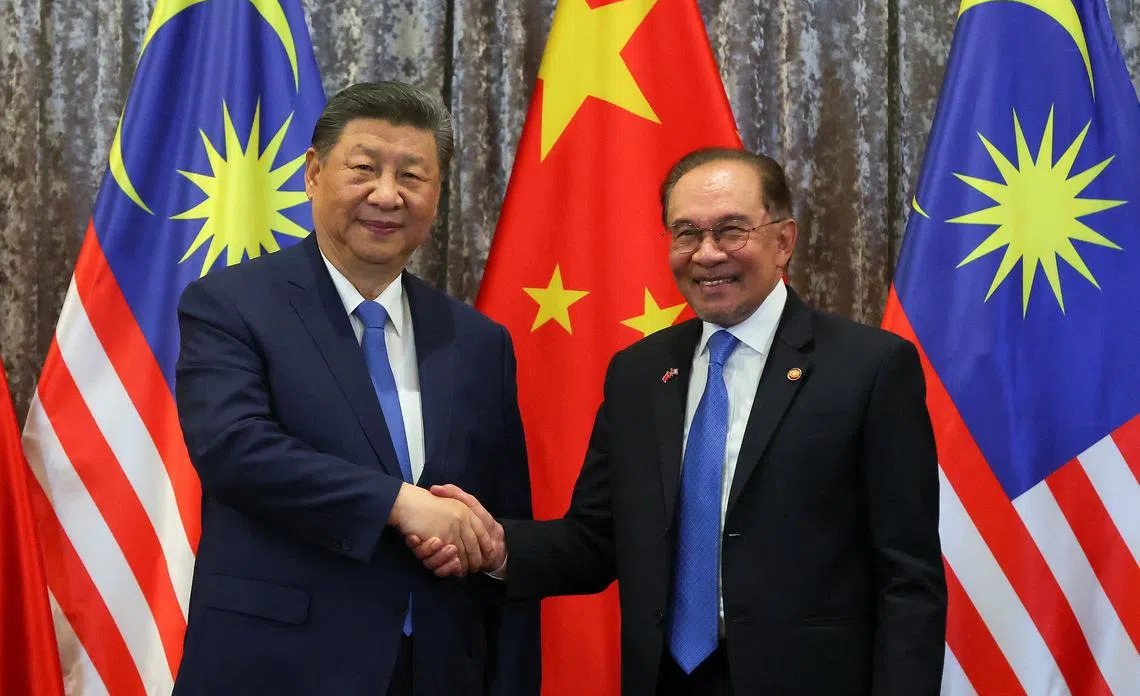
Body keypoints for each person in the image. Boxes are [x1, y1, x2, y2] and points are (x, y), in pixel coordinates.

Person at [415, 148, 947, 695]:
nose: (707, 253)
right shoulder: (639, 374)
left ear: (784, 240)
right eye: (686, 233)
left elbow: (909, 578)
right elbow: (596, 540)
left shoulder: (870, 368)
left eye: (731, 231)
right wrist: (497, 545)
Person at [173, 81, 540, 696]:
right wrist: (401, 503)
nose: (387, 195)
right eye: (364, 169)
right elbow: (235, 451)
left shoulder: (478, 340)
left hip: (440, 668)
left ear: (437, 193)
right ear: (314, 173)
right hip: (277, 666)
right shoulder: (231, 305)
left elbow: (501, 520)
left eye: (413, 176)